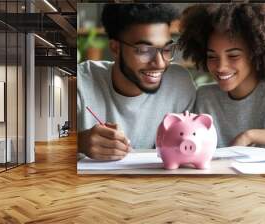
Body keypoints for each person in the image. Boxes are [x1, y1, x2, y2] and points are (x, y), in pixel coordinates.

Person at [77, 4, 196, 161]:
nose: (160, 63)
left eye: (166, 50)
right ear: (115, 48)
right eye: (145, 50)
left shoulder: (179, 84)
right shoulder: (80, 82)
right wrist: (79, 142)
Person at [179, 4, 265, 149]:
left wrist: (250, 136)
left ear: (256, 53)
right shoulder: (205, 97)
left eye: (233, 56)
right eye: (212, 57)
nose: (221, 67)